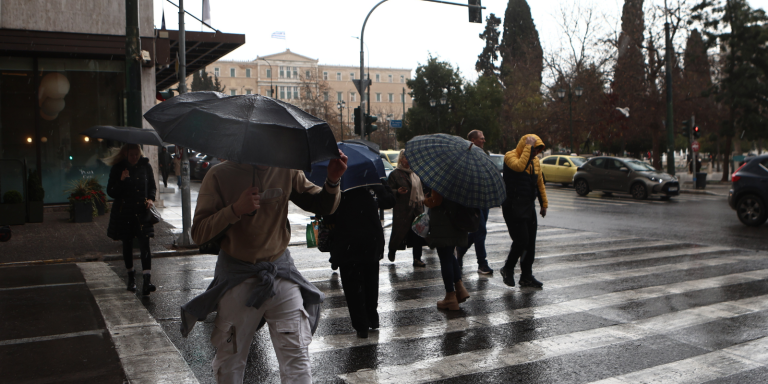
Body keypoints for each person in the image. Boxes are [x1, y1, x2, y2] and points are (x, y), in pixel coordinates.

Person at [181, 150, 347, 384]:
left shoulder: (286, 169)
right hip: (238, 277)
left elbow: (321, 204)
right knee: (230, 363)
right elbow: (198, 233)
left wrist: (332, 180)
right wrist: (235, 210)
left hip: (280, 274)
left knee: (297, 358)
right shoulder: (219, 175)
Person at [323, 181, 395, 338]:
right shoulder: (371, 181)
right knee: (370, 280)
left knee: (352, 285)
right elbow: (389, 200)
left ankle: (361, 325)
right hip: (370, 239)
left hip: (347, 241)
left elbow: (327, 215)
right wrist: (381, 185)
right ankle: (371, 318)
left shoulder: (339, 185)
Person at [105, 144, 158, 295]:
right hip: (125, 212)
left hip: (142, 212)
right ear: (125, 154)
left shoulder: (145, 166)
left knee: (145, 245)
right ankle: (131, 278)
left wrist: (150, 199)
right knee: (127, 244)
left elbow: (152, 187)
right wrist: (122, 180)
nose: (135, 157)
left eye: (137, 154)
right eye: (132, 155)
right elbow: (111, 192)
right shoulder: (118, 168)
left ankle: (147, 281)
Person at [500, 134, 548, 288]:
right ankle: (508, 268)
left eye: (537, 151)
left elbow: (539, 182)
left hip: (528, 205)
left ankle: (526, 276)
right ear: (525, 145)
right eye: (535, 150)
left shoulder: (535, 160)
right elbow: (519, 167)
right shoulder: (510, 156)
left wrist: (543, 204)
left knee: (530, 244)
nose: (536, 153)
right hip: (513, 205)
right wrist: (528, 148)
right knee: (522, 240)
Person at [424, 190, 473, 310]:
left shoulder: (443, 179)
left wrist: (425, 200)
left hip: (443, 223)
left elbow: (436, 201)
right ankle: (460, 289)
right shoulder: (461, 178)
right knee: (449, 255)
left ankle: (450, 297)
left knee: (445, 258)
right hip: (456, 221)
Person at [455, 130, 493, 275]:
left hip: (483, 199)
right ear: (472, 140)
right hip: (472, 199)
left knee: (477, 231)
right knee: (480, 230)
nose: (484, 141)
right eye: (481, 139)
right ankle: (482, 263)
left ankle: (460, 249)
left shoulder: (485, 154)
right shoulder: (465, 155)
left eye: (484, 138)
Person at [387, 150, 428, 267]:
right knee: (398, 233)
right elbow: (389, 191)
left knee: (418, 234)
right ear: (401, 159)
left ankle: (417, 258)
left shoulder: (416, 173)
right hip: (402, 209)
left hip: (417, 208)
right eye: (407, 158)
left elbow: (422, 188)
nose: (409, 161)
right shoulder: (395, 174)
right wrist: (397, 192)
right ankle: (392, 250)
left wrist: (425, 196)